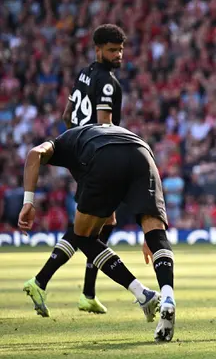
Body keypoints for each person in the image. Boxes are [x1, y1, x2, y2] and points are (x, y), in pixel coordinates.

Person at [20, 124, 176, 342]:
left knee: (83, 236)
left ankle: (143, 294)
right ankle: (168, 297)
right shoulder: (94, 132)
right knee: (156, 235)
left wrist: (28, 202)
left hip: (105, 157)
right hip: (142, 151)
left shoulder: (61, 144)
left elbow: (35, 153)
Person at [29, 24, 126, 314]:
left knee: (106, 223)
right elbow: (104, 127)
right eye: (112, 49)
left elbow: (67, 115)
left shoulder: (83, 74)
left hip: (79, 151)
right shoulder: (108, 83)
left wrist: (74, 146)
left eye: (120, 49)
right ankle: (40, 280)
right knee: (86, 229)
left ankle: (87, 292)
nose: (118, 54)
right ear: (98, 49)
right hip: (96, 157)